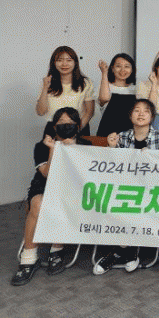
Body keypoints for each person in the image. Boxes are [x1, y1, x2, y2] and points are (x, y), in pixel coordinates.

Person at [11, 108, 92, 286]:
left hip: (73, 188)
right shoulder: (41, 146)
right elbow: (47, 174)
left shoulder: (86, 145)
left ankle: (57, 249)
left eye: (70, 122)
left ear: (78, 126)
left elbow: (88, 174)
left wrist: (73, 149)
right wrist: (53, 150)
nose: (66, 125)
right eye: (61, 122)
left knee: (66, 201)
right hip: (44, 185)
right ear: (54, 126)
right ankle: (28, 257)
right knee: (38, 204)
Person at [93, 99, 159, 275]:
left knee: (137, 204)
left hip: (150, 189)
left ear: (152, 117)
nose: (141, 114)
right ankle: (129, 251)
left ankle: (119, 251)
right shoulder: (122, 137)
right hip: (124, 188)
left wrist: (151, 160)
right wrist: (111, 147)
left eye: (146, 111)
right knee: (111, 202)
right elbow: (111, 168)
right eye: (136, 110)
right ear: (130, 115)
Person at [36, 46, 95, 135]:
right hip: (54, 129)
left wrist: (75, 131)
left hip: (78, 128)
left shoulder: (85, 83)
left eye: (69, 60)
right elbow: (41, 112)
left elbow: (89, 112)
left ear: (75, 62)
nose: (64, 64)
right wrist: (45, 88)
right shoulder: (47, 82)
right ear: (54, 63)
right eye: (59, 60)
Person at [96, 53, 136, 137]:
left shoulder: (136, 89)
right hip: (108, 133)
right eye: (118, 66)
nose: (122, 70)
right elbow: (104, 98)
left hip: (130, 135)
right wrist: (104, 73)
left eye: (127, 66)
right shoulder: (105, 86)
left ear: (132, 69)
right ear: (112, 68)